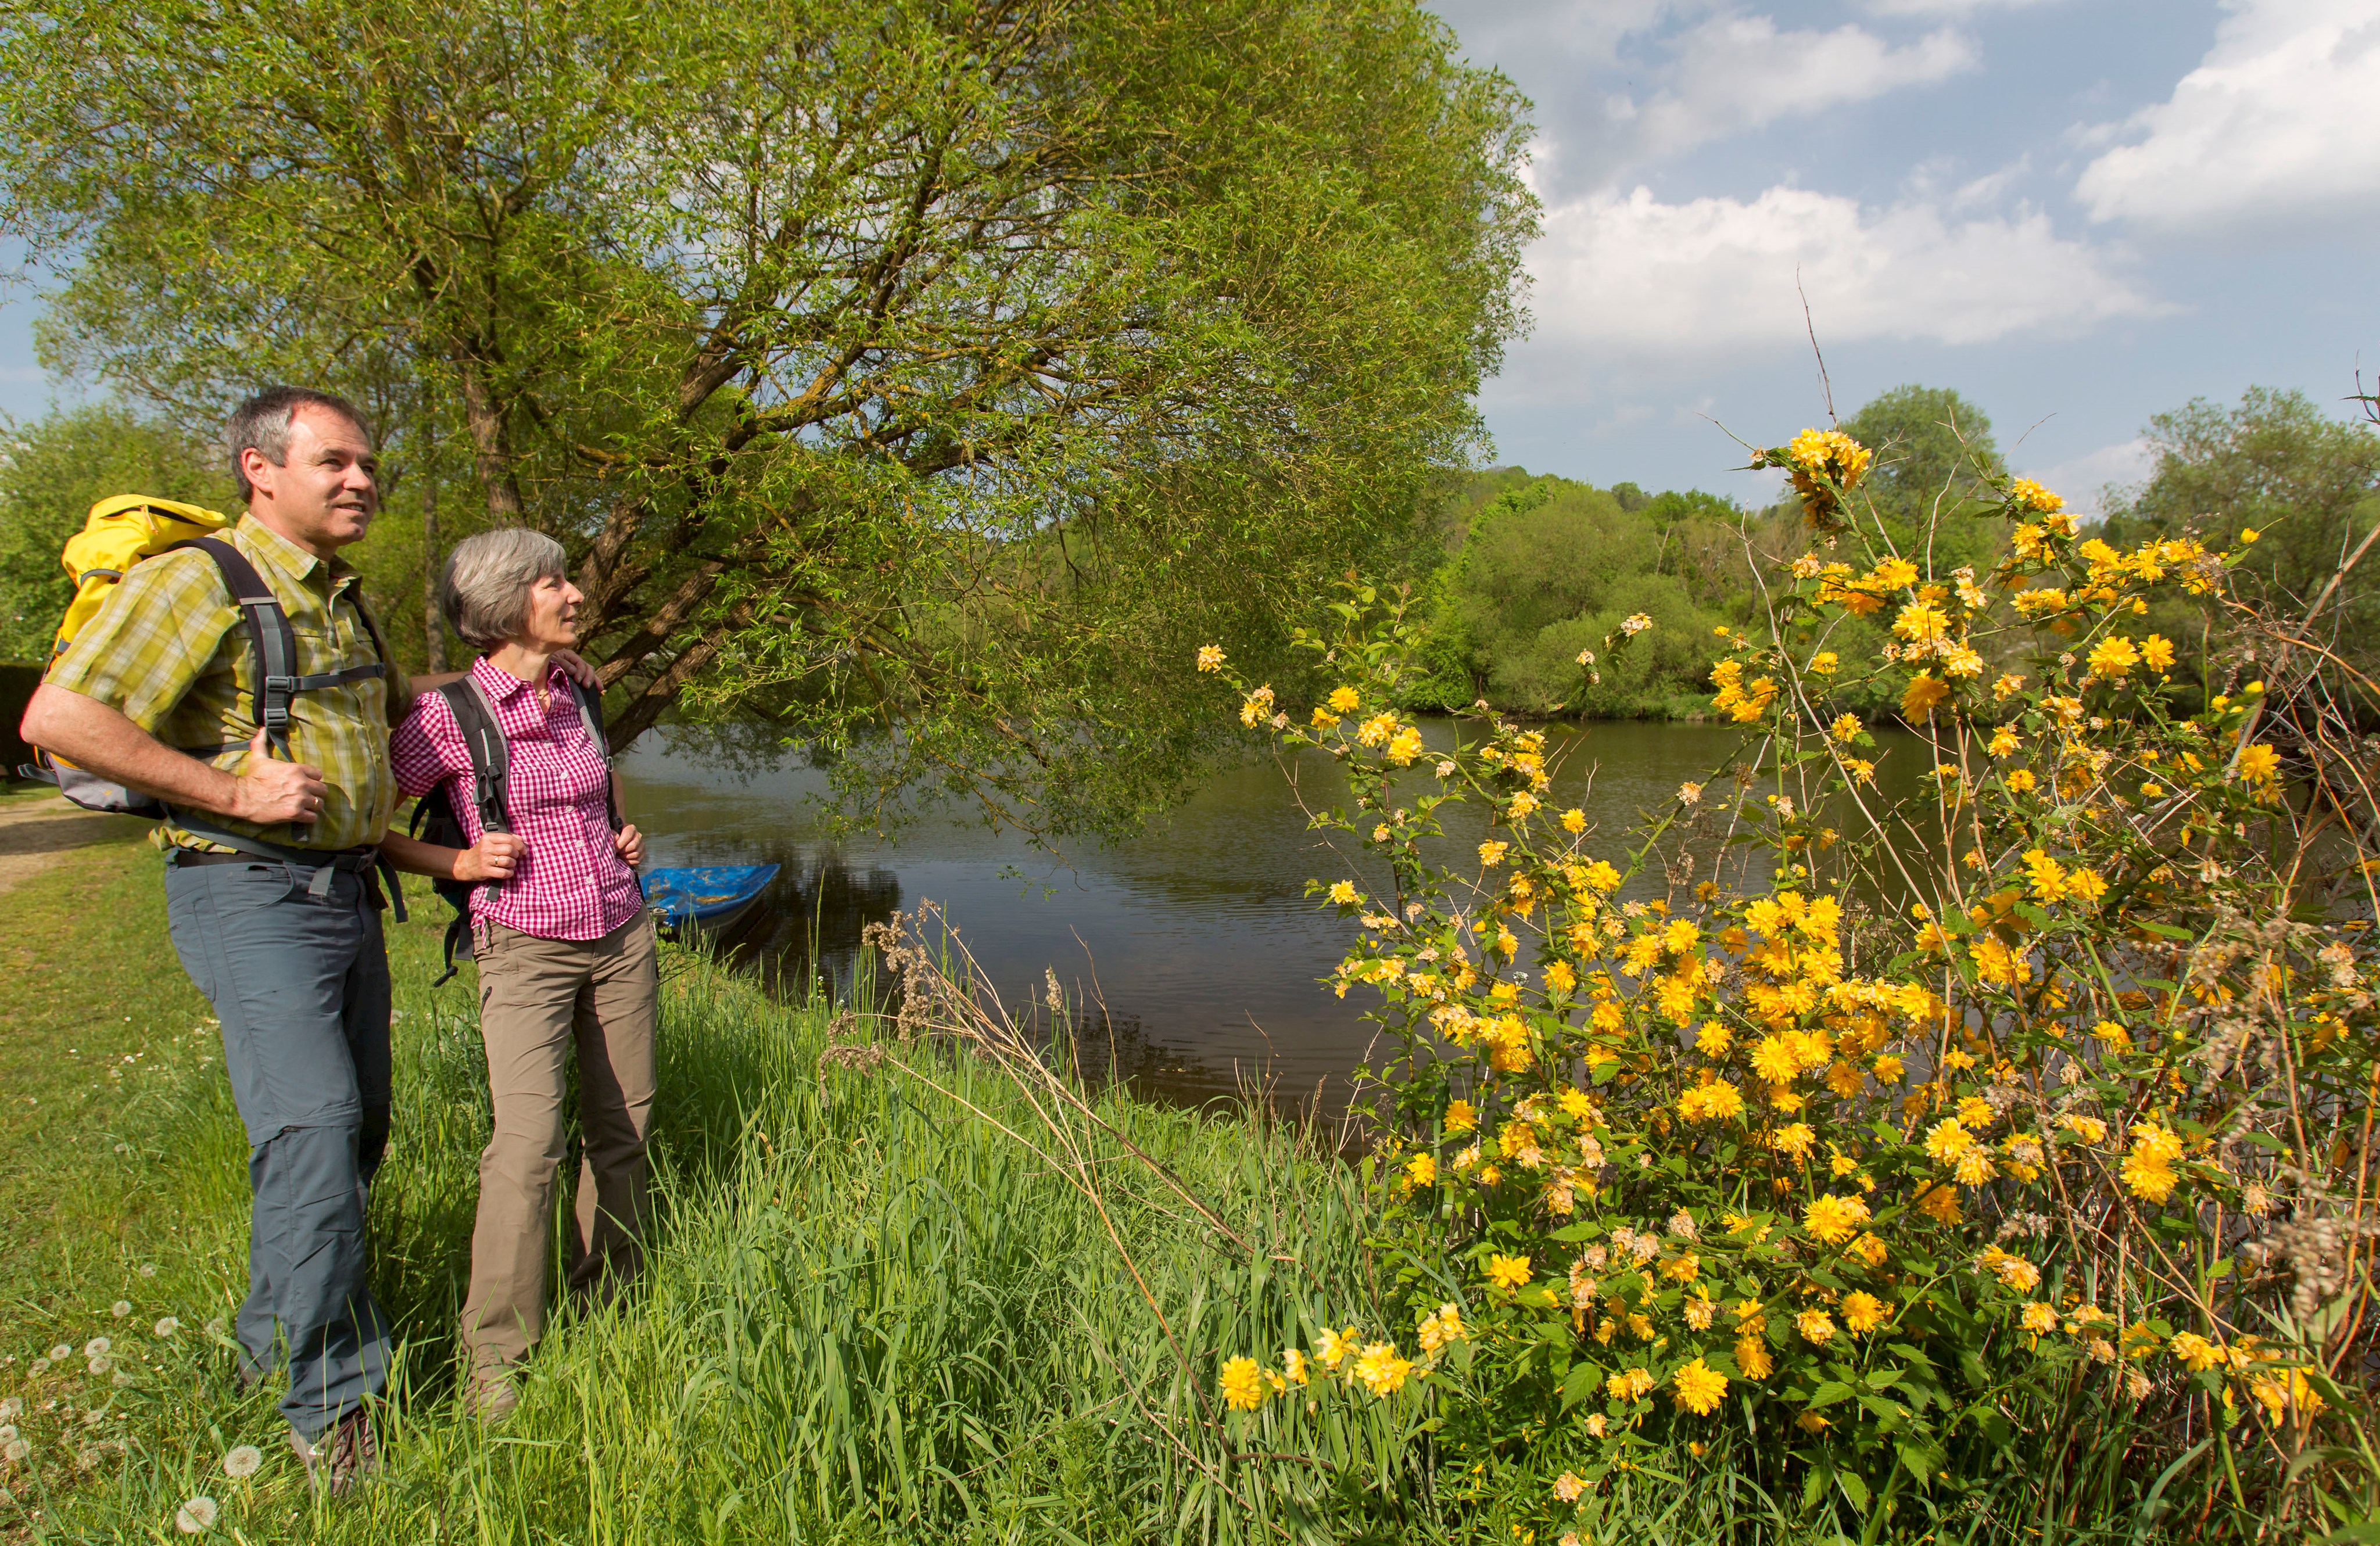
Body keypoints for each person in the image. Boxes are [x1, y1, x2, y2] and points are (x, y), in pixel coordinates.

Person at [18, 387, 533, 1489]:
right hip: (247, 889)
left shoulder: (343, 601)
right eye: (335, 462)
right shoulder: (198, 580)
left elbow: (402, 725)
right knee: (315, 1128)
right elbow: (60, 718)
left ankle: (269, 1345)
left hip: (345, 896)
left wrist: (535, 666)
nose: (362, 480)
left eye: (368, 464)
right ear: (261, 469)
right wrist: (227, 791)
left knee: (353, 1138)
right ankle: (333, 1413)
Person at [389, 528, 653, 1422]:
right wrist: (454, 864)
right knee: (529, 1146)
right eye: (555, 583)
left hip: (620, 932)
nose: (575, 593)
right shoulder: (445, 719)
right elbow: (361, 821)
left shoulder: (579, 687)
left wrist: (624, 832)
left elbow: (602, 784)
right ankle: (498, 1358)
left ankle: (609, 1304)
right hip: (526, 947)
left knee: (625, 1128)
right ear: (509, 604)